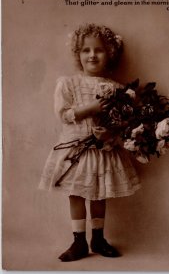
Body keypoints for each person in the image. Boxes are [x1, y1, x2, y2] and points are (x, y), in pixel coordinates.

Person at [39, 23, 141, 262]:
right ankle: (78, 241)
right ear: (78, 54)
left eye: (99, 50)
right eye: (86, 50)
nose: (92, 55)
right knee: (76, 194)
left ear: (110, 54)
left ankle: (98, 238)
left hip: (103, 150)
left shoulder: (117, 89)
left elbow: (122, 123)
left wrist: (109, 134)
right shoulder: (68, 83)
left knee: (98, 194)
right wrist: (90, 108)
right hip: (76, 148)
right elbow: (64, 114)